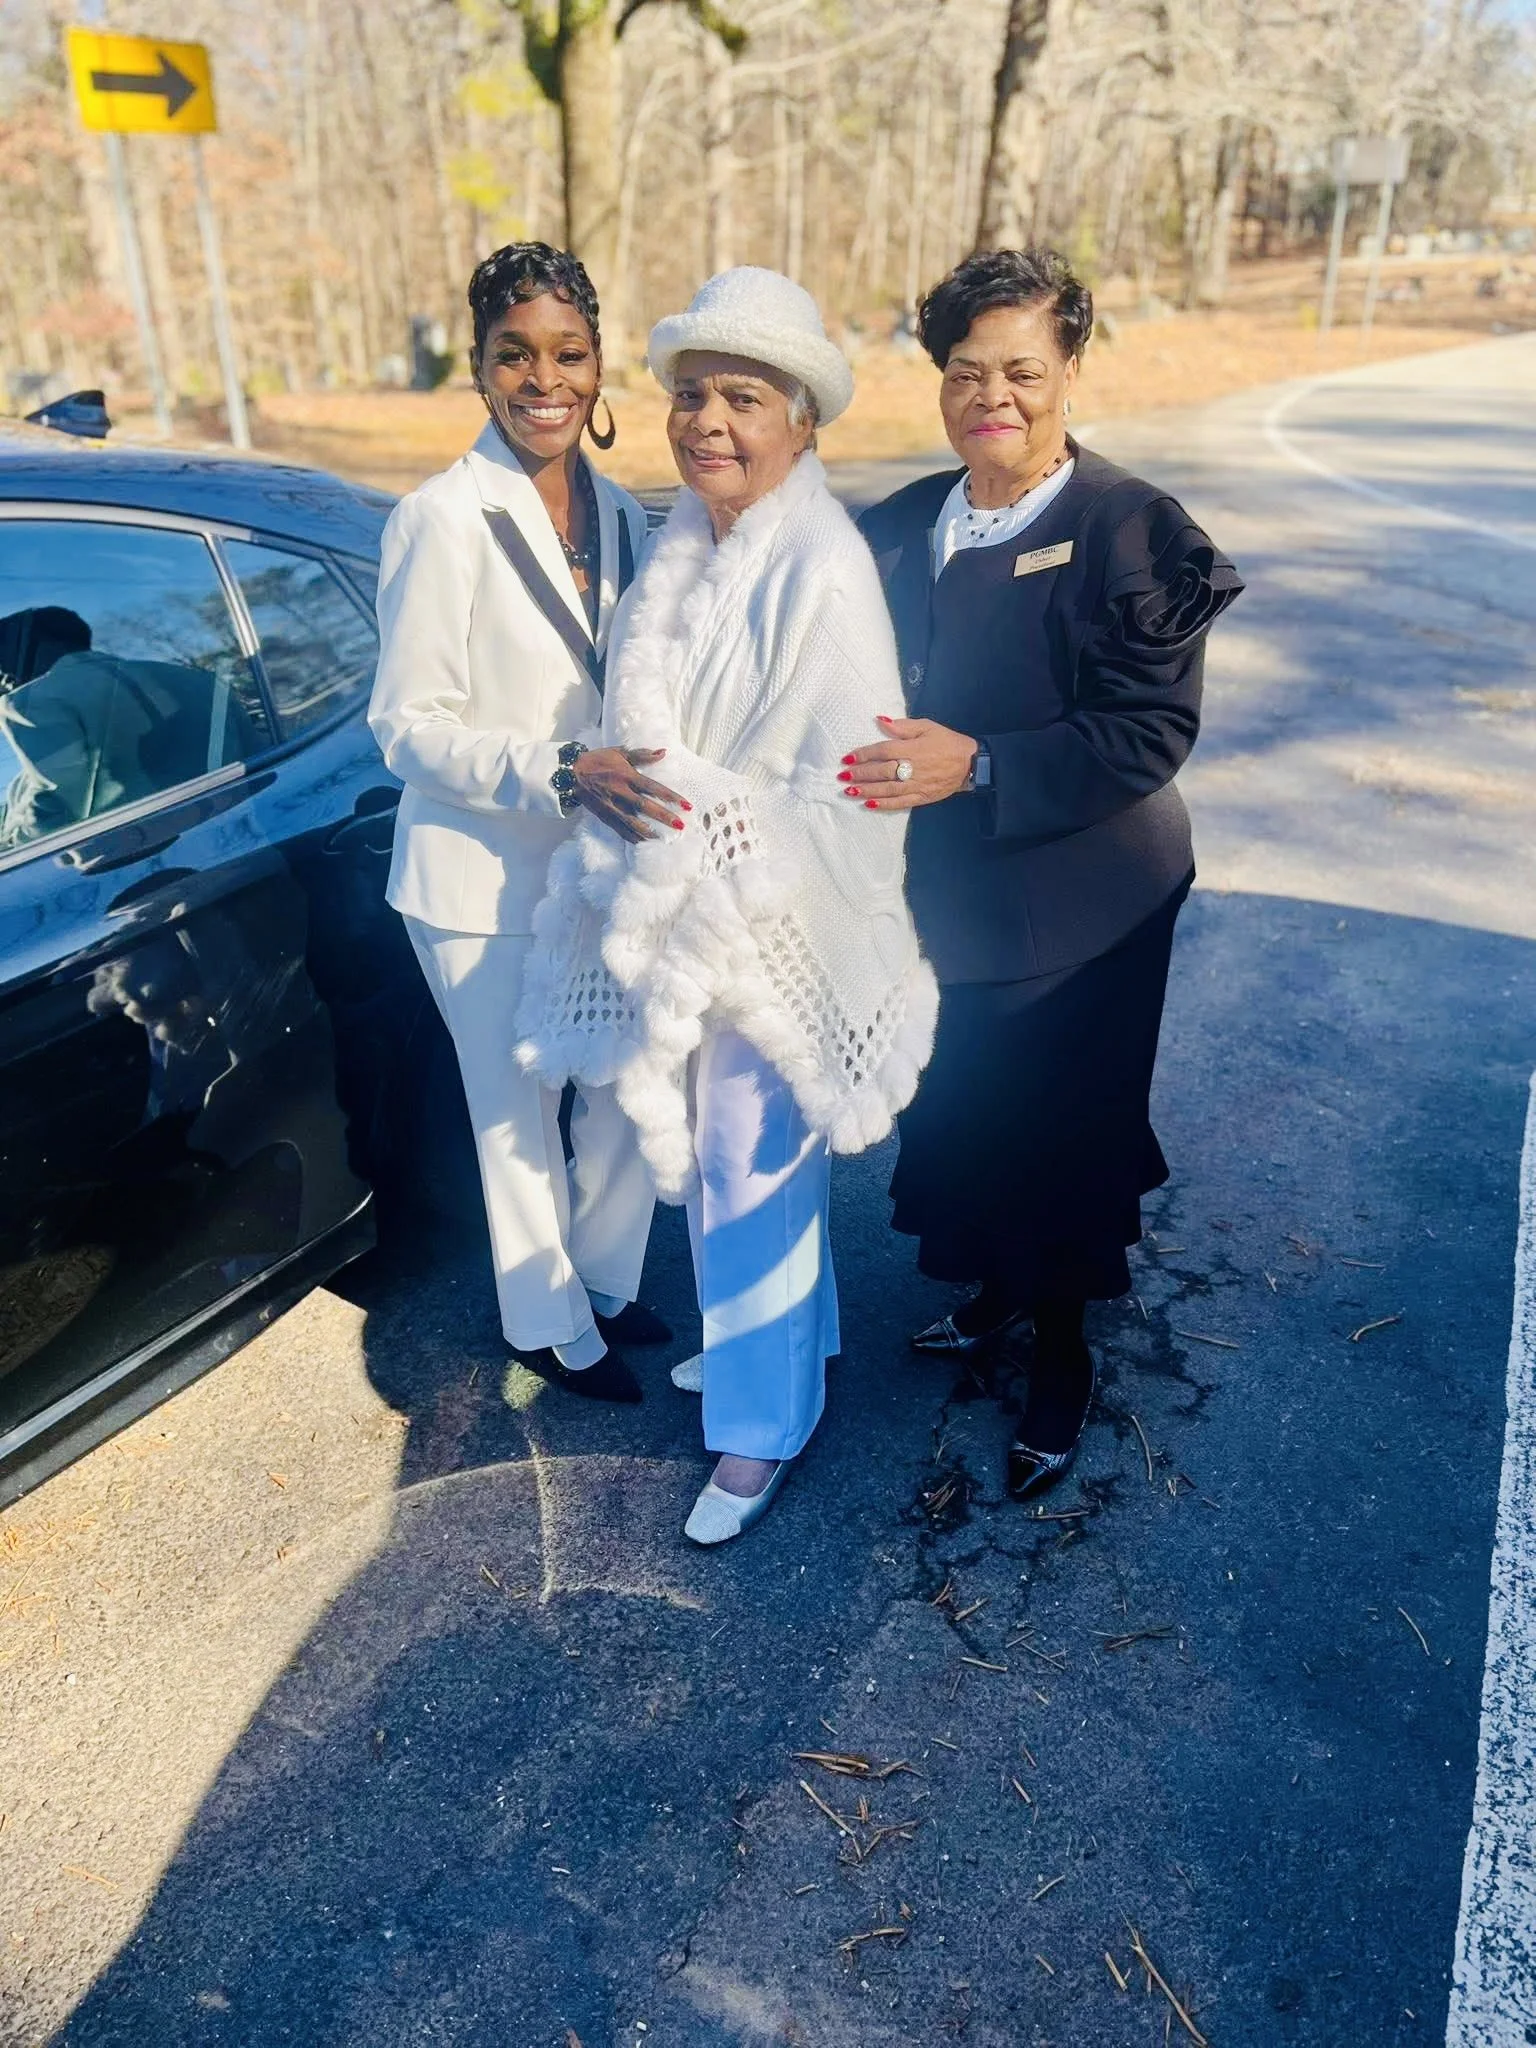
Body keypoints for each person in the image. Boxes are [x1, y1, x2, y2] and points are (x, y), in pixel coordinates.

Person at [519, 267, 937, 1543]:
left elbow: (855, 783)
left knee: (748, 1165)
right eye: (692, 394)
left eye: (742, 397)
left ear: (802, 419)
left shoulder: (823, 564)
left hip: (765, 916)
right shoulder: (691, 543)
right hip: (691, 905)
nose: (707, 420)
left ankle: (757, 1432)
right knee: (727, 1160)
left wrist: (701, 809)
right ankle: (787, 1353)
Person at [852, 247, 1243, 1500]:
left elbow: (1148, 731)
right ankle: (996, 1290)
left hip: (1088, 903)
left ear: (1071, 368)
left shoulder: (1132, 528)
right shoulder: (905, 521)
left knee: (1062, 1131)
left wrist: (978, 768)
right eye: (966, 373)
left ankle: (1062, 1353)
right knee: (964, 1106)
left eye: (1023, 369)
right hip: (943, 897)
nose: (994, 399)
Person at [368, 242, 676, 1404]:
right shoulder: (440, 519)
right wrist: (556, 768)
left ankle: (602, 1281)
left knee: (626, 1083)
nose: (544, 378)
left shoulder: (629, 514)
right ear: (481, 367)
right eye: (516, 354)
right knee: (520, 1109)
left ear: (598, 365)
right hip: (479, 880)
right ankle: (544, 1322)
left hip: (607, 869)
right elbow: (404, 724)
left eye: (569, 352)